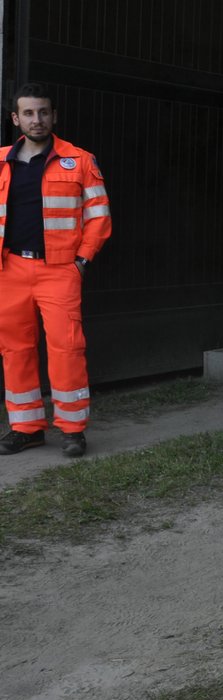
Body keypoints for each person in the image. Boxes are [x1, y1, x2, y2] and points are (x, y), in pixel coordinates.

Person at [0, 84, 110, 459]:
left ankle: (72, 429)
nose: (37, 119)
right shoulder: (0, 161)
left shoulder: (79, 160)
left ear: (54, 116)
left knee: (67, 350)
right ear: (16, 118)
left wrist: (81, 262)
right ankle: (26, 428)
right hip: (10, 269)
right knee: (15, 350)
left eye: (43, 112)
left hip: (60, 270)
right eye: (28, 113)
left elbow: (99, 217)